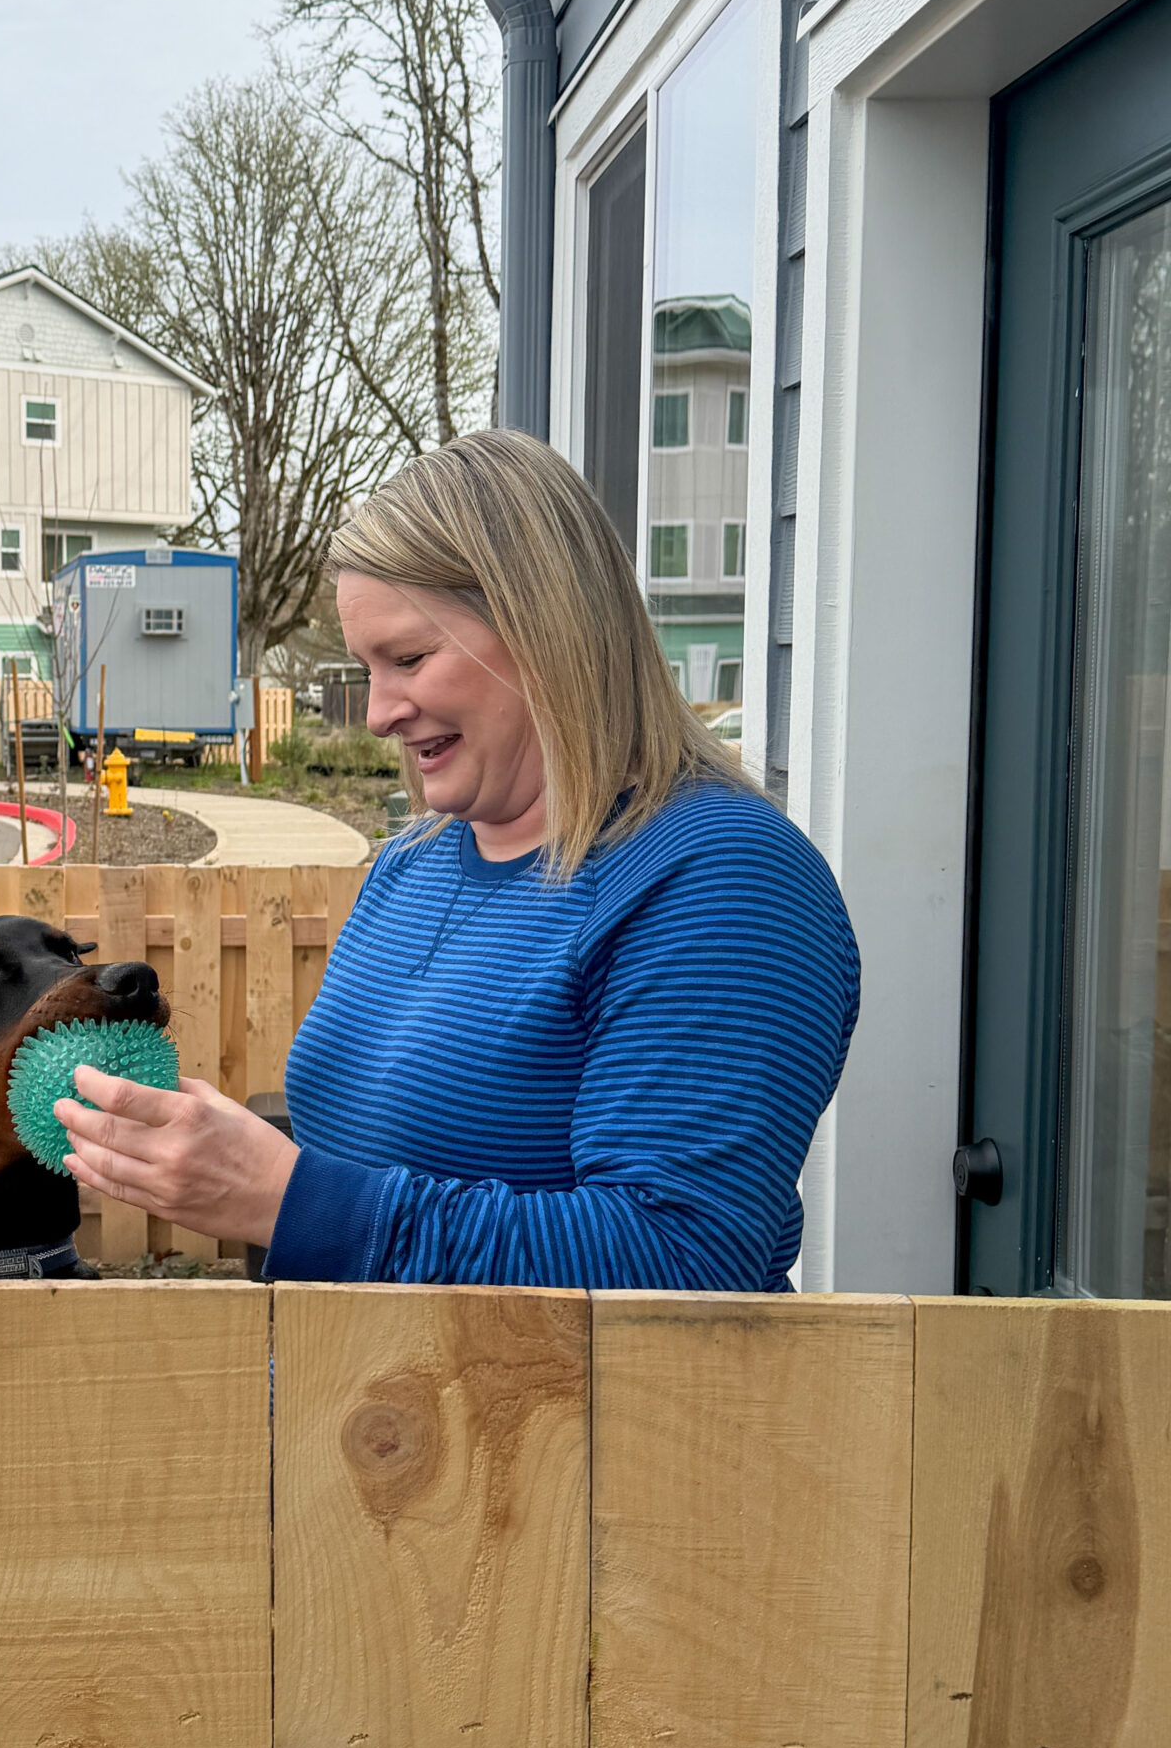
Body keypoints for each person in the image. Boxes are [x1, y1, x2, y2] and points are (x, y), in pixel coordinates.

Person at [55, 428, 860, 1290]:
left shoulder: (721, 880)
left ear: (551, 631)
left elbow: (684, 1257)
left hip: (570, 1425)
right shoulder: (414, 863)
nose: (377, 714)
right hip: (367, 1414)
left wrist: (288, 1200)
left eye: (408, 659)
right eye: (367, 667)